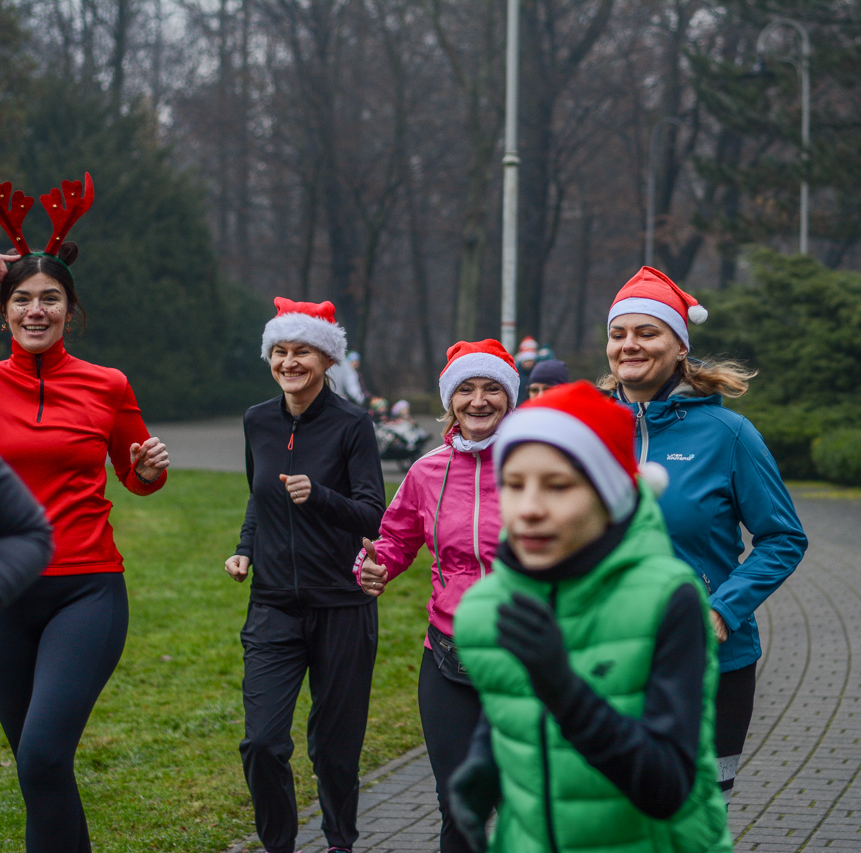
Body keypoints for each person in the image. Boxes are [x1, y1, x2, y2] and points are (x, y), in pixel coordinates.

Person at [447, 381, 733, 852]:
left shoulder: (667, 598)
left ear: (608, 497)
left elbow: (668, 790)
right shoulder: (485, 606)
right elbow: (509, 706)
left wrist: (564, 688)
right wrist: (483, 764)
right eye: (514, 485)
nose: (531, 508)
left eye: (558, 486)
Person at [0, 175, 171, 853]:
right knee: (43, 774)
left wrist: (148, 471)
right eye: (23, 299)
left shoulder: (107, 384)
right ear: (3, 311)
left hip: (85, 590)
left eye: (50, 299)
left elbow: (137, 471)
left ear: (71, 309)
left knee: (39, 756)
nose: (37, 311)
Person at [601, 266, 807, 800]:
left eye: (648, 333)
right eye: (619, 333)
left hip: (711, 665)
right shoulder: (586, 432)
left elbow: (784, 538)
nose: (630, 345)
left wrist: (722, 609)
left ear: (679, 347)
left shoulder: (728, 434)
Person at [225, 297, 386, 853]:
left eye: (302, 352)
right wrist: (245, 548)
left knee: (334, 747)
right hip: (273, 603)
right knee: (263, 742)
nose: (289, 362)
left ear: (326, 360)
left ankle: (340, 841)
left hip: (341, 603)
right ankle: (279, 845)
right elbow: (258, 496)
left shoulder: (353, 425)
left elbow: (372, 513)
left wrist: (319, 497)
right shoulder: (257, 421)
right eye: (280, 351)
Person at [357, 339, 519, 852]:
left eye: (492, 388)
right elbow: (397, 537)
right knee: (458, 804)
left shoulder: (541, 466)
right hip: (448, 655)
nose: (478, 401)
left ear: (510, 399)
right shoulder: (428, 470)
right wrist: (373, 565)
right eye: (466, 389)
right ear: (450, 400)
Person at [0, 430, 52, 623]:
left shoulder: (108, 399)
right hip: (5, 590)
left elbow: (135, 475)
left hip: (85, 574)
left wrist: (143, 477)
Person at [514, 336, 538, 404]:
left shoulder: (537, 373)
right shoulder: (516, 374)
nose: (529, 364)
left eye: (530, 361)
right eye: (526, 361)